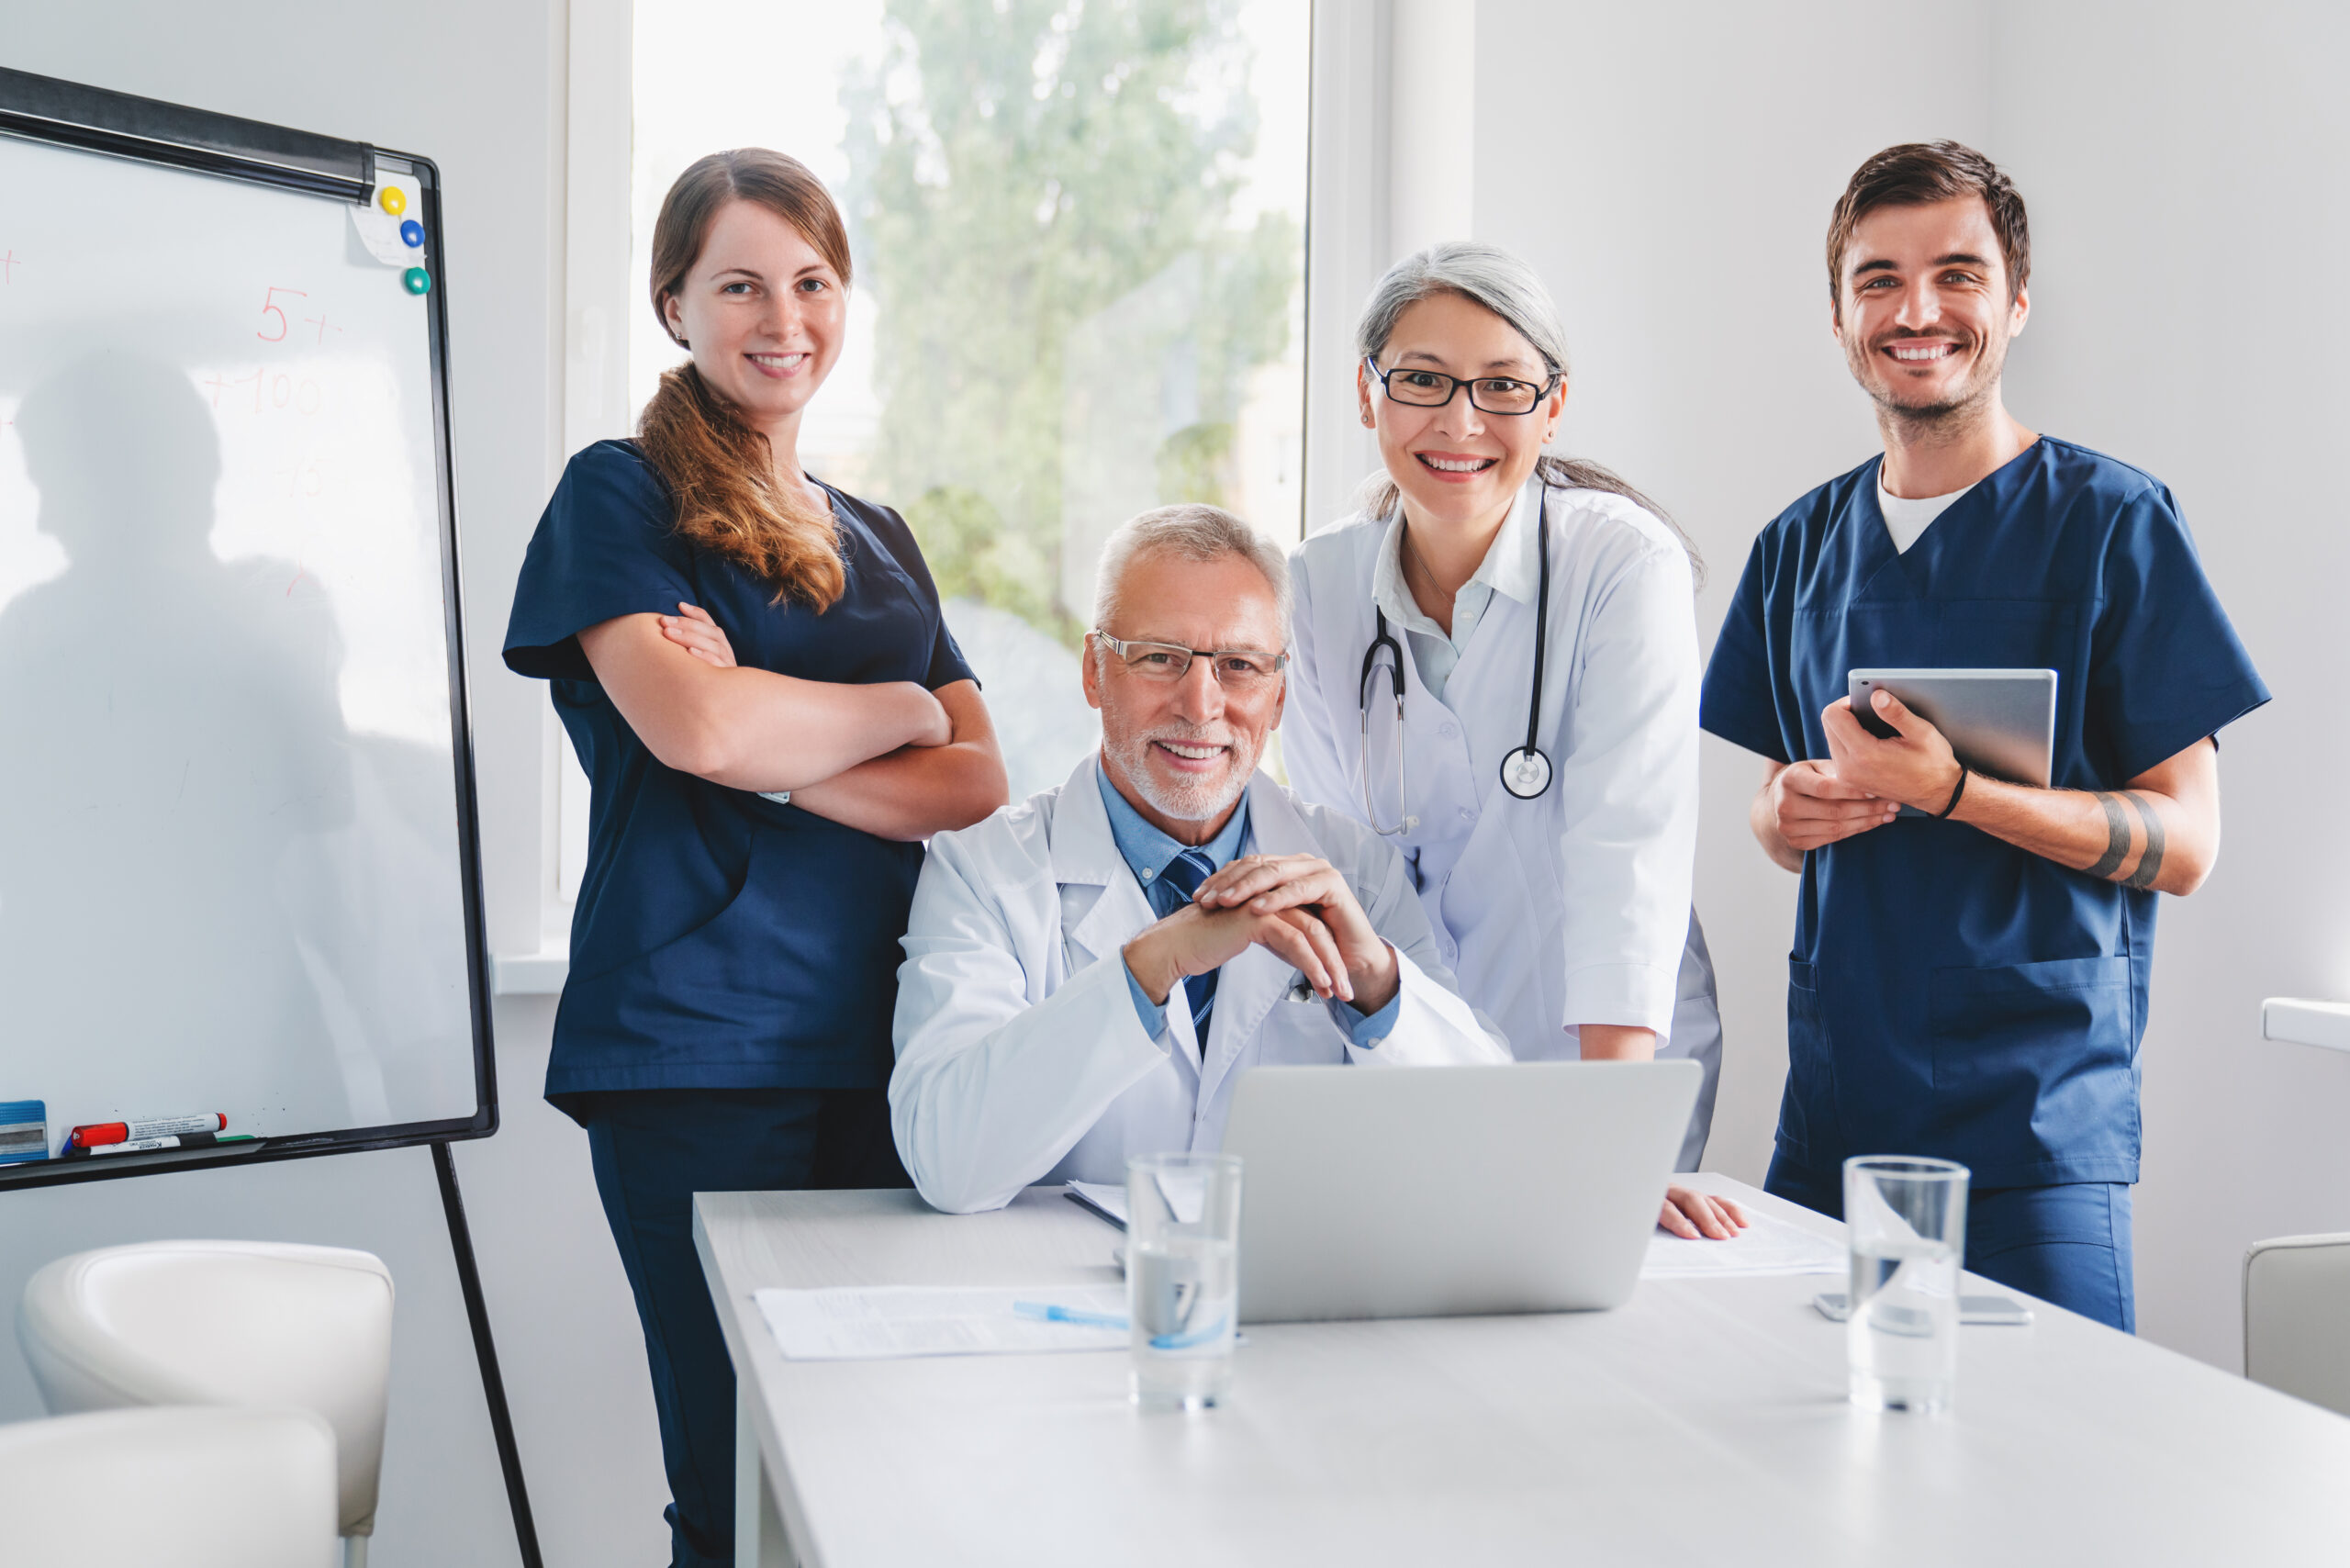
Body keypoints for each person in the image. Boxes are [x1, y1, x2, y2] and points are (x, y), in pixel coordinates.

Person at [502, 150, 1007, 1567]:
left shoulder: (883, 536)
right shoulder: (619, 495)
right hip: (697, 1050)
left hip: (893, 1041)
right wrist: (890, 713)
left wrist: (785, 751)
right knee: (738, 1484)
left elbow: (973, 785)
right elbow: (700, 727)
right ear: (674, 304)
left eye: (811, 281)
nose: (781, 317)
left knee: (875, 1472)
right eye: (739, 284)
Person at [1698, 141, 2268, 1332]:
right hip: (1835, 1121)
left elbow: (2187, 843)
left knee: (2051, 1487)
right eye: (1878, 279)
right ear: (1842, 313)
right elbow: (1776, 810)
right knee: (1808, 1475)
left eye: (1958, 275)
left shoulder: (2116, 527)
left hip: (2036, 1132)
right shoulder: (1797, 548)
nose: (1917, 311)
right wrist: (1784, 813)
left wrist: (1958, 791)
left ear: (2015, 303)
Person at [1281, 241, 1743, 1240]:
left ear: (1553, 406)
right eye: (1422, 381)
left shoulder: (1621, 563)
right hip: (1411, 1058)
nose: (1460, 422)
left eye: (1502, 387)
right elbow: (1338, 866)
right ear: (1366, 394)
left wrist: (1612, 1135)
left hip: (1602, 1053)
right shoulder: (1317, 584)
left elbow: (1631, 851)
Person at [889, 505, 1512, 1214]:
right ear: (1095, 671)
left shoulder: (1354, 872)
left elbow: (1486, 1139)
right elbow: (947, 1163)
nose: (1200, 703)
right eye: (1160, 658)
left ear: (1278, 695)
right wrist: (1155, 964)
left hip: (1291, 1302)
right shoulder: (986, 873)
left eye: (1240, 667)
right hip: (1062, 1302)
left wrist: (1378, 985)